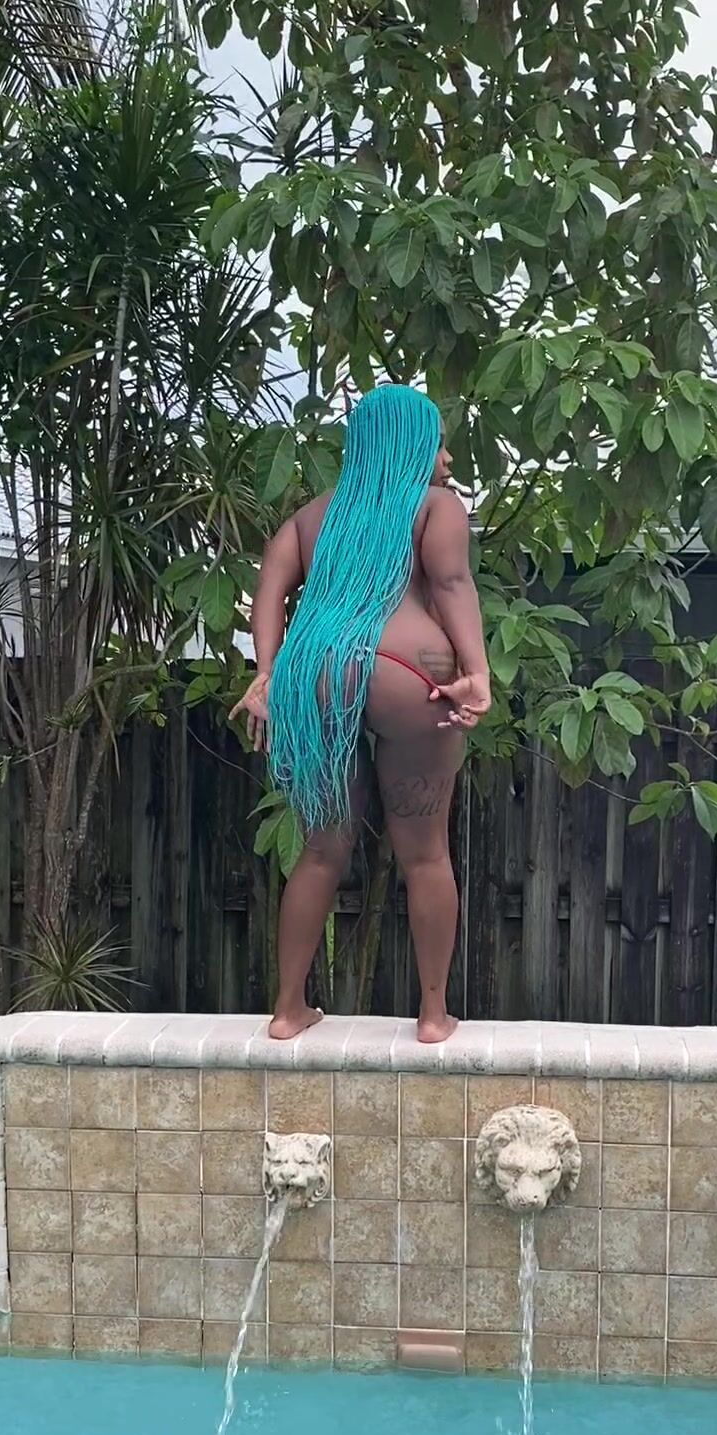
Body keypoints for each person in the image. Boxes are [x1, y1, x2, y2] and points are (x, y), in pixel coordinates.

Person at [230, 383, 490, 1044]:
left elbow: (268, 592)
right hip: (411, 673)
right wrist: (477, 672)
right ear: (408, 446)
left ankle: (288, 1009)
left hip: (315, 674)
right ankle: (433, 1015)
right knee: (425, 855)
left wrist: (266, 673)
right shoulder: (435, 507)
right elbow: (452, 583)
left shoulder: (309, 517)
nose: (447, 460)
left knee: (321, 850)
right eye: (437, 444)